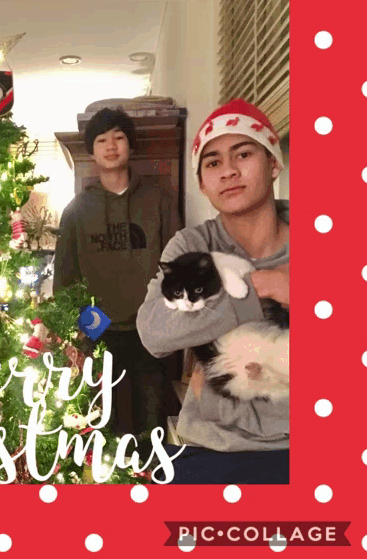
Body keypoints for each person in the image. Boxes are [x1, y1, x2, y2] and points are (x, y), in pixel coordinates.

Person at [136, 98, 289, 484]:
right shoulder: (192, 244)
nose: (229, 172)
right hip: (212, 445)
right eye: (213, 162)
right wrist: (263, 287)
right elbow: (154, 331)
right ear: (203, 184)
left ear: (273, 163)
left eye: (243, 153)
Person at [54, 107, 181, 450]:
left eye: (119, 137)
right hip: (101, 333)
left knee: (152, 429)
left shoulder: (158, 200)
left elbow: (176, 266)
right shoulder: (77, 210)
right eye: (101, 139)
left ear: (131, 146)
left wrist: (166, 323)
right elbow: (65, 279)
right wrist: (83, 334)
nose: (111, 146)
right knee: (105, 428)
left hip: (150, 332)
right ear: (92, 151)